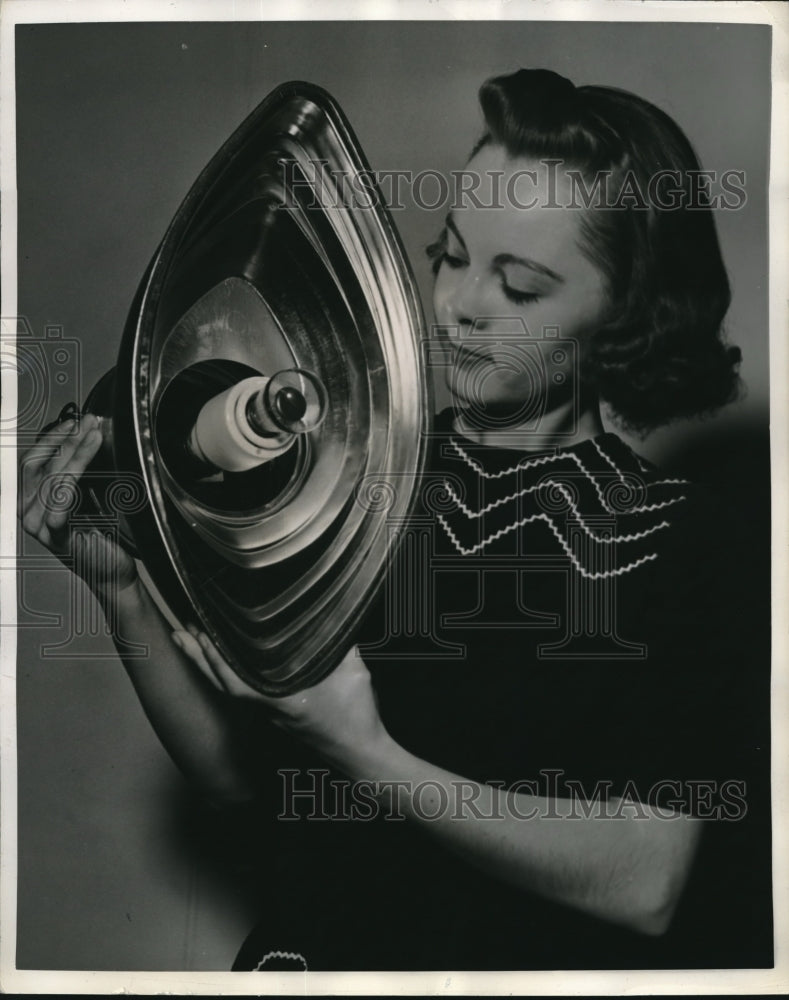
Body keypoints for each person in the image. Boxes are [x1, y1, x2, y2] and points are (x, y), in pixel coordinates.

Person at [19, 69, 772, 970]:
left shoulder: (687, 545)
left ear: (626, 314)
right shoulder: (340, 468)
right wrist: (122, 592)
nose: (456, 306)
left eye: (521, 287)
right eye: (449, 254)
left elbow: (648, 882)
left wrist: (364, 750)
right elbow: (240, 790)